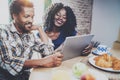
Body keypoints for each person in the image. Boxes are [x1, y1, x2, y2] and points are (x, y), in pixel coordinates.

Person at [0, 0, 63, 80]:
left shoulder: (30, 35)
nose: (31, 20)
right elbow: (9, 63)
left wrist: (39, 29)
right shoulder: (3, 32)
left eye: (32, 17)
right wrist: (43, 61)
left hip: (25, 76)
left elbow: (48, 51)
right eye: (26, 16)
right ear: (14, 16)